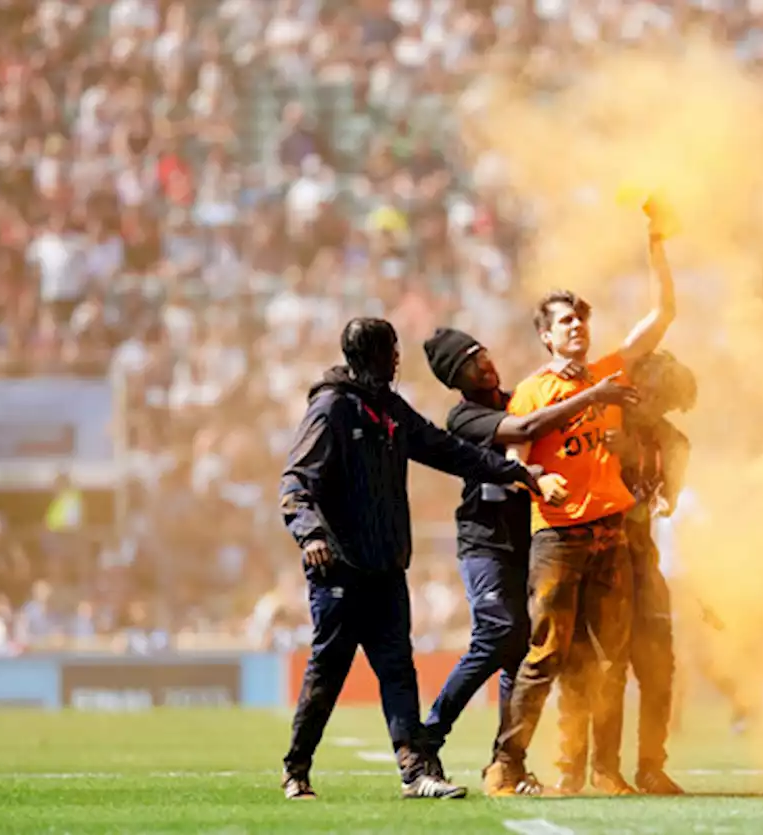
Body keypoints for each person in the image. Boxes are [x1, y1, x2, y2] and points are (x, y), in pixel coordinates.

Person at [278, 317, 544, 801]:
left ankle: (416, 771)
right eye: (390, 351)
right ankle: (297, 768)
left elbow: (450, 452)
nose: (397, 360)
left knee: (399, 669)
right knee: (328, 670)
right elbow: (295, 482)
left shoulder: (391, 411)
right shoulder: (331, 408)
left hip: (385, 567)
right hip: (338, 568)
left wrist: (512, 472)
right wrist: (310, 533)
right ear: (372, 356)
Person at [484, 199, 678, 797]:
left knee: (611, 661)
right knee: (544, 656)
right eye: (565, 322)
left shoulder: (608, 374)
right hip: (559, 539)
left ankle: (605, 770)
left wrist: (657, 241)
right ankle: (506, 766)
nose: (577, 328)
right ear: (545, 336)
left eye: (581, 321)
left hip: (610, 535)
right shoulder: (533, 392)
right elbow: (516, 458)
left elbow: (662, 314)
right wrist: (540, 480)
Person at [420, 327, 638, 789]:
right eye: (468, 364)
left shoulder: (524, 393)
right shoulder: (465, 417)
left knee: (524, 651)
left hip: (534, 538)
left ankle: (510, 765)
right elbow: (525, 430)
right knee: (500, 635)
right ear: (454, 379)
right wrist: (589, 396)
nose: (483, 365)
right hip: (486, 542)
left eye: (481, 354)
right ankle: (427, 739)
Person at [555, 351, 697, 796]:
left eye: (665, 399)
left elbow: (661, 504)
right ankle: (575, 766)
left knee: (659, 667)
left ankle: (651, 766)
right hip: (591, 558)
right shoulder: (599, 423)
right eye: (651, 392)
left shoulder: (673, 443)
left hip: (639, 559)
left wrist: (640, 466)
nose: (654, 404)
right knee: (590, 666)